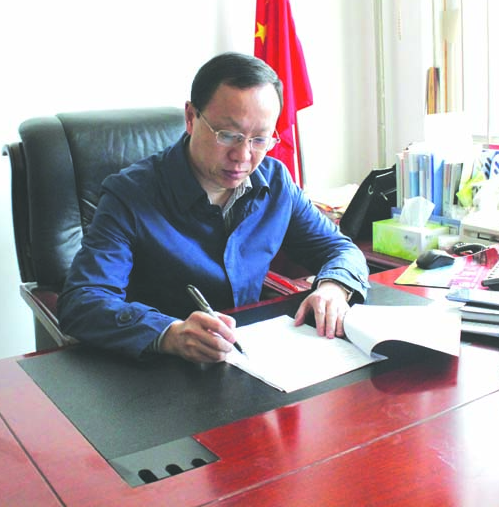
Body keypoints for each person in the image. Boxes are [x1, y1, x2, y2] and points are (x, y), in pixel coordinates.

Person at [58, 52, 369, 363]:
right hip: (160, 373)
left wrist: (334, 286)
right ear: (191, 118)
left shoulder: (275, 183)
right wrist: (169, 333)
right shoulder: (130, 195)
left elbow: (340, 249)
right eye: (228, 135)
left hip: (254, 359)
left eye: (260, 139)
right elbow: (83, 301)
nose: (243, 156)